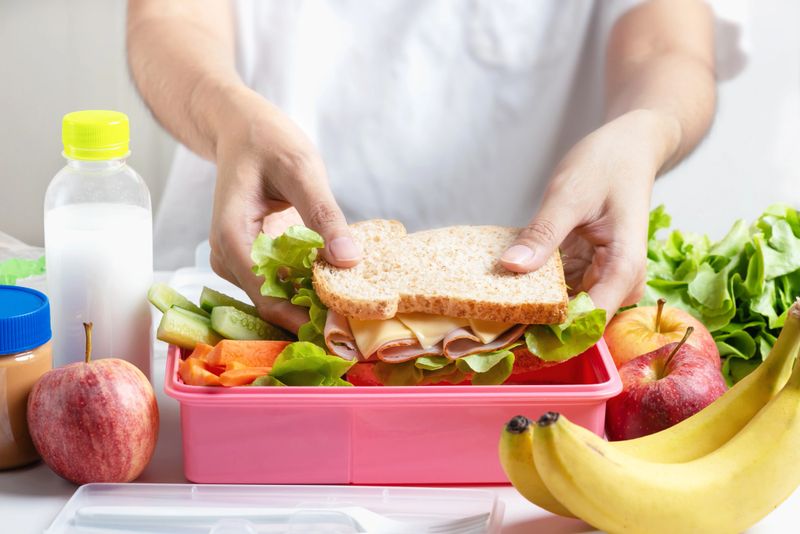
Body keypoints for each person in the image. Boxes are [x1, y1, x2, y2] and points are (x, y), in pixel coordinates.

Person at [127, 0, 741, 333]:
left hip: (537, 321)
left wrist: (645, 132)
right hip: (248, 282)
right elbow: (167, 19)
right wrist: (227, 117)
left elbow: (670, 46)